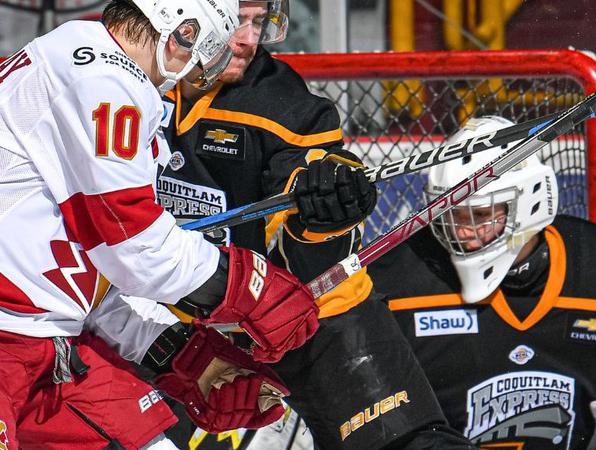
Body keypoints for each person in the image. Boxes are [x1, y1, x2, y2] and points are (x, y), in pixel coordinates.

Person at [152, 1, 476, 449]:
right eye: (236, 20)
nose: (248, 40)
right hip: (169, 319)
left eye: (259, 22)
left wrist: (327, 212)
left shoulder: (284, 101)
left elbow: (308, 232)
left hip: (304, 310)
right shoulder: (129, 81)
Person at [0, 0, 321, 447]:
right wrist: (248, 285)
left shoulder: (81, 58)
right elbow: (135, 245)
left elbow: (90, 272)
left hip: (44, 346)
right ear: (182, 33)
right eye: (201, 58)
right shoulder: (103, 81)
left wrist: (191, 359)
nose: (190, 76)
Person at [368, 116, 596, 449]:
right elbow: (367, 421)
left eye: (480, 214)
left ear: (529, 200)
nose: (463, 232)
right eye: (452, 215)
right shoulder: (393, 285)